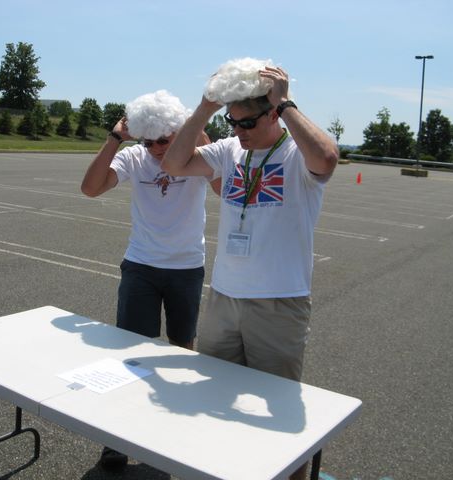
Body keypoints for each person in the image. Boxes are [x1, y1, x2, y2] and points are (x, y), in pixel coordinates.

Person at [162, 64, 338, 480]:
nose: (239, 131)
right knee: (212, 398)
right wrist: (205, 108)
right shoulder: (229, 150)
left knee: (281, 413)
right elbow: (174, 164)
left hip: (278, 301)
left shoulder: (297, 154)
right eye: (233, 121)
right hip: (224, 298)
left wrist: (286, 101)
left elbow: (327, 158)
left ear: (274, 113)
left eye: (248, 122)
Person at [80, 90, 211, 470]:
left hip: (186, 266)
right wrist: (115, 138)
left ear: (177, 131)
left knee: (181, 348)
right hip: (141, 265)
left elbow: (221, 184)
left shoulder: (197, 156)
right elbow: (91, 188)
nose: (155, 149)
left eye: (163, 140)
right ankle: (116, 439)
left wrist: (196, 133)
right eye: (148, 140)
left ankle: (174, 428)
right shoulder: (135, 157)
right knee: (130, 352)